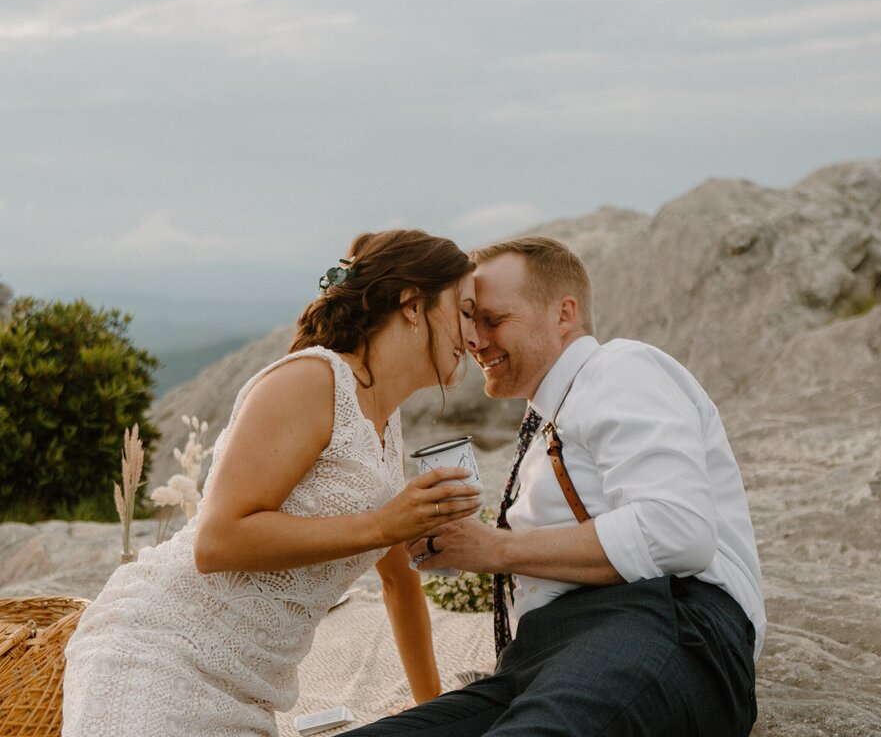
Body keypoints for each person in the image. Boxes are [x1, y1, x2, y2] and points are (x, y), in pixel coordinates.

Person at [62, 229, 483, 737]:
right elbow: (217, 541)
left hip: (250, 691)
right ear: (412, 304)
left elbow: (399, 581)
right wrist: (383, 522)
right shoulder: (310, 380)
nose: (475, 335)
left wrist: (434, 712)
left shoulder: (386, 424)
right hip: (162, 658)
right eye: (464, 311)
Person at [349, 236, 765, 736]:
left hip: (666, 624)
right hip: (545, 655)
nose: (475, 340)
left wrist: (493, 548)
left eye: (494, 320)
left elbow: (678, 530)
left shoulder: (620, 368)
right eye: (470, 320)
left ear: (564, 314)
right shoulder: (550, 412)